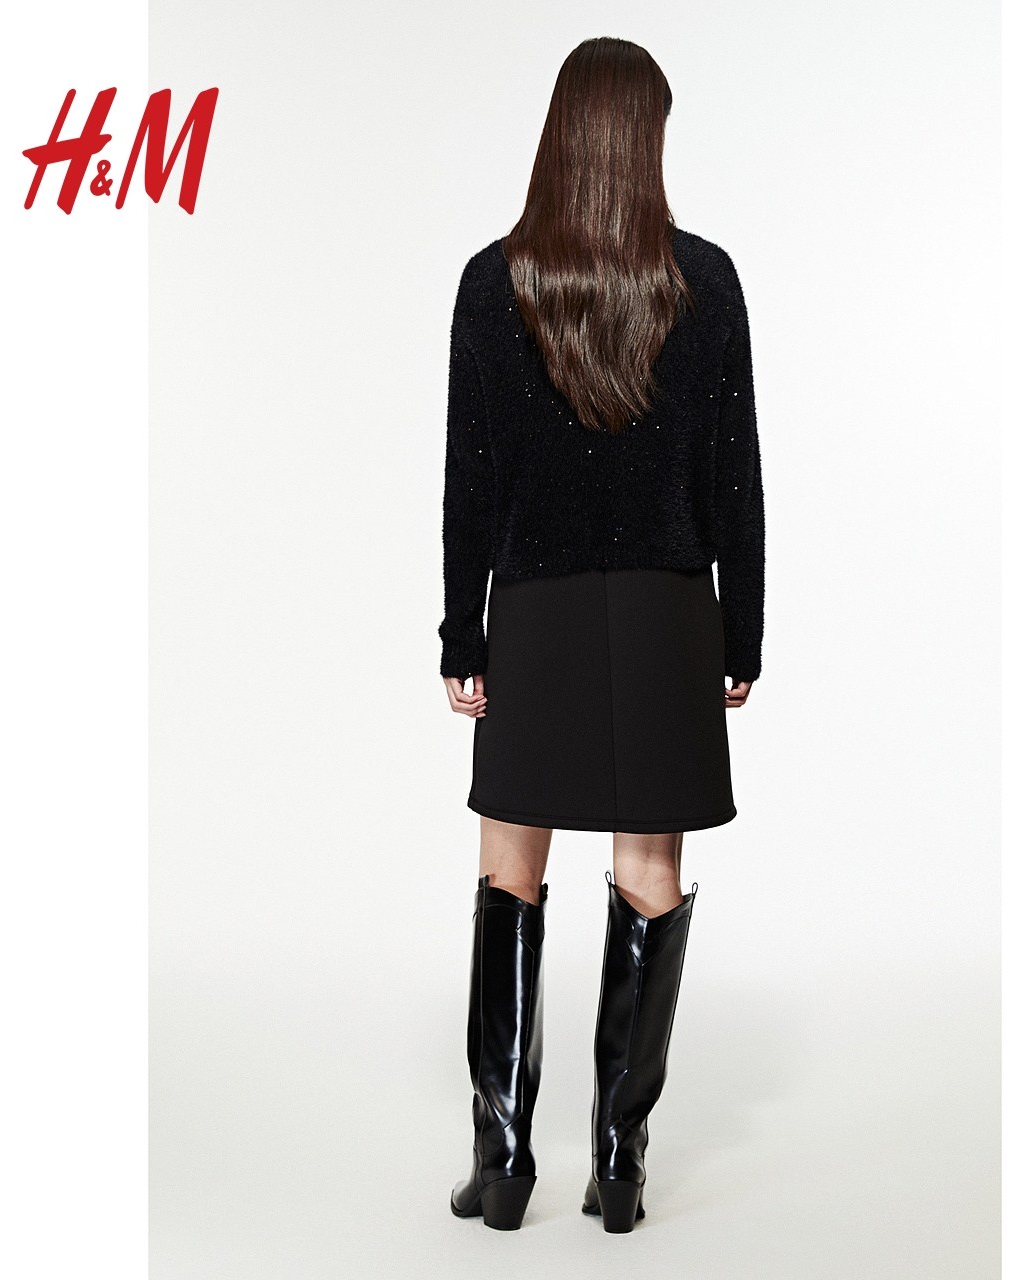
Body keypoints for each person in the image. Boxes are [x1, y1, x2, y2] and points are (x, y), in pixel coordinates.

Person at [439, 36, 766, 1233]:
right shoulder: (705, 281)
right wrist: (742, 629)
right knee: (648, 872)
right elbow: (734, 476)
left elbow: (469, 479)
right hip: (668, 611)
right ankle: (619, 1163)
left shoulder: (494, 282)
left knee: (508, 865)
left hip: (534, 612)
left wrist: (460, 632)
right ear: (645, 139)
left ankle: (502, 1159)